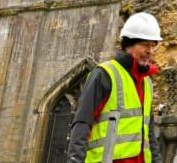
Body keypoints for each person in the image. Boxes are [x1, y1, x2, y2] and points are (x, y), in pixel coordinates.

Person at [67, 12, 163, 163]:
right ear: (128, 45)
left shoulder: (147, 83)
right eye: (145, 45)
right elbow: (82, 123)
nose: (150, 51)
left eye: (153, 45)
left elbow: (149, 133)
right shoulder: (104, 74)